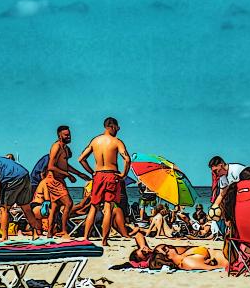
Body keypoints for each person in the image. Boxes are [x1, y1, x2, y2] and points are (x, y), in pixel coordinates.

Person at [78, 116, 132, 245]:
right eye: (117, 128)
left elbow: (81, 159)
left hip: (98, 175)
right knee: (108, 207)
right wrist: (124, 174)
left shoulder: (95, 141)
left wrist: (91, 172)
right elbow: (127, 159)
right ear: (112, 126)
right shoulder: (116, 141)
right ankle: (104, 240)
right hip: (111, 174)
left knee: (93, 207)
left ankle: (86, 238)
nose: (117, 131)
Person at [38, 125, 91, 237]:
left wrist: (79, 174)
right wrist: (68, 175)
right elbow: (51, 166)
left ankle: (49, 233)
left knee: (55, 207)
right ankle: (63, 230)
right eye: (66, 135)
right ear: (59, 135)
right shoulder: (56, 147)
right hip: (53, 180)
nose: (69, 136)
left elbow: (65, 165)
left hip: (59, 179)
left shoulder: (65, 148)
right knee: (69, 203)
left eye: (69, 134)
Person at [128, 232, 228, 271]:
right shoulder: (185, 261)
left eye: (143, 250)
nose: (146, 250)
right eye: (145, 253)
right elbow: (214, 268)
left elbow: (138, 235)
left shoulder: (157, 251)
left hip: (223, 253)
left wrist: (143, 247)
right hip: (228, 257)